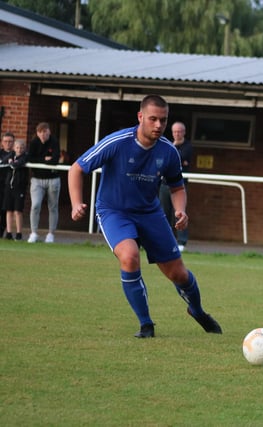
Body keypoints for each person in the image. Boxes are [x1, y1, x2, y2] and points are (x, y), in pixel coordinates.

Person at [68, 95, 222, 338]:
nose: (159, 125)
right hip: (114, 211)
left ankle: (197, 310)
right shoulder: (117, 142)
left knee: (178, 273)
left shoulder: (169, 151)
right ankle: (146, 324)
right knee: (129, 257)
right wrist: (76, 203)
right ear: (140, 117)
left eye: (163, 120)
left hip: (150, 213)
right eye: (153, 119)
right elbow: (77, 168)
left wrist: (180, 210)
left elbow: (177, 187)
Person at [159, 121, 193, 251]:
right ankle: (165, 241)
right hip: (164, 184)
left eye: (179, 131)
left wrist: (173, 158)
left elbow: (181, 158)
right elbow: (163, 159)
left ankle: (181, 242)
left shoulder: (188, 146)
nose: (177, 134)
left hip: (180, 186)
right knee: (163, 213)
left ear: (184, 132)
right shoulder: (168, 145)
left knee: (179, 213)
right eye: (175, 131)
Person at [27, 122, 61, 243]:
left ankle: (51, 234)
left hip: (53, 179)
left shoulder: (54, 141)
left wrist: (46, 161)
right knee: (35, 205)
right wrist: (44, 159)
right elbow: (30, 158)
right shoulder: (34, 142)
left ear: (49, 132)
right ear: (37, 133)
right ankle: (34, 233)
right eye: (40, 132)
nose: (43, 135)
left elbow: (56, 159)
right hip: (37, 179)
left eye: (45, 132)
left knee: (53, 206)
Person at [3, 139, 28, 240]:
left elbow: (18, 164)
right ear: (14, 148)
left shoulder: (25, 156)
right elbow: (4, 160)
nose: (19, 149)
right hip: (9, 186)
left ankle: (19, 233)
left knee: (18, 211)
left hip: (19, 187)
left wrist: (12, 163)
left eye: (21, 147)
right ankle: (8, 232)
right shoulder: (12, 155)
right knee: (9, 210)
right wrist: (9, 160)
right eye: (17, 147)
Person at [0, 132, 15, 238]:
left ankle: (2, 231)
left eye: (10, 142)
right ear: (2, 142)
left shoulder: (16, 154)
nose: (8, 144)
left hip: (10, 186)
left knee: (5, 210)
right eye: (6, 141)